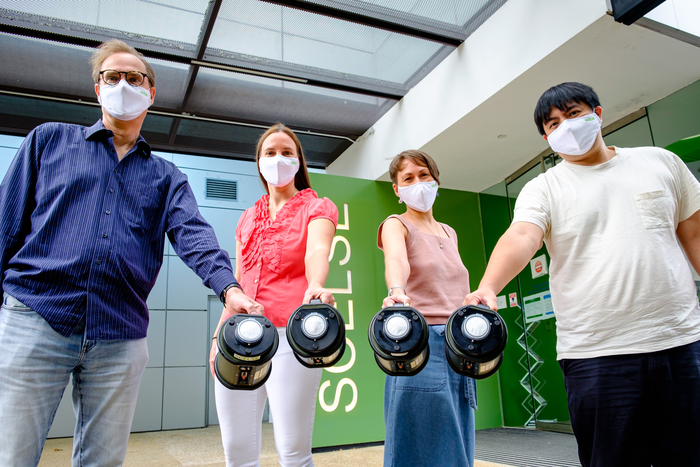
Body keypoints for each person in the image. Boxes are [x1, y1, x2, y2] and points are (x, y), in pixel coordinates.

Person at [0, 39, 260, 467]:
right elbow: (8, 222)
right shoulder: (48, 141)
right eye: (111, 76)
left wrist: (228, 287)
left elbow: (193, 234)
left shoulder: (166, 177)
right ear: (97, 88)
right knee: (12, 454)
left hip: (119, 334)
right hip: (34, 318)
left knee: (103, 462)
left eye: (133, 78)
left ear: (150, 93)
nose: (123, 84)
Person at [465, 82, 700, 467]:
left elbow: (693, 233)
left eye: (573, 114)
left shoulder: (659, 162)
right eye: (553, 124)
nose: (565, 127)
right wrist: (489, 287)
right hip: (597, 354)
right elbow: (522, 236)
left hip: (681, 342)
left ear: (597, 113)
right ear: (546, 137)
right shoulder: (544, 187)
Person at [209, 123, 338, 467]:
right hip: (238, 337)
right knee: (237, 450)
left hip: (291, 338)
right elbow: (238, 282)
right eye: (270, 152)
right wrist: (217, 335)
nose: (278, 159)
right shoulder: (247, 217)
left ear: (299, 161)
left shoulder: (318, 206)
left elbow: (317, 251)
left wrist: (315, 284)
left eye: (286, 152)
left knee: (292, 449)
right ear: (259, 162)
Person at [378, 150, 477, 467]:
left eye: (424, 175)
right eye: (408, 178)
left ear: (435, 180)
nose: (418, 182)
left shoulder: (450, 232)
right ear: (397, 189)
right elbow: (396, 260)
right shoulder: (397, 224)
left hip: (460, 346)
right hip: (421, 347)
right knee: (419, 444)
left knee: (456, 441)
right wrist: (396, 290)